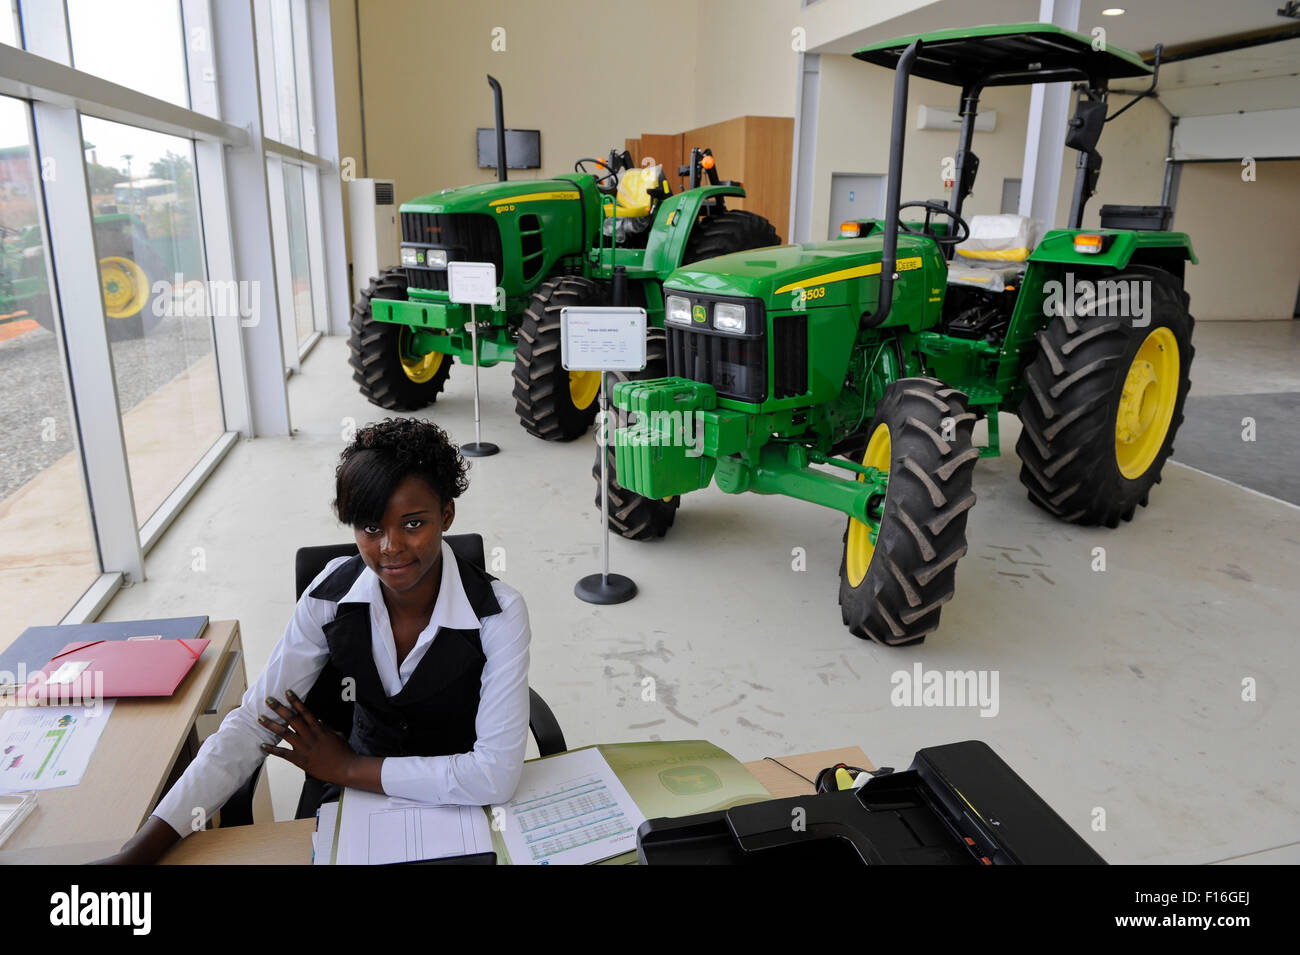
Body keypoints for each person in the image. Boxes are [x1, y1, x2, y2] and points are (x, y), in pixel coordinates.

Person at [100, 418, 530, 864]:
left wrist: (348, 767)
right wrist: (135, 854)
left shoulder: (499, 613)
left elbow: (494, 776)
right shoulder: (331, 595)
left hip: (462, 809)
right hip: (358, 803)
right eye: (370, 527)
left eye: (413, 523)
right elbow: (254, 724)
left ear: (446, 515)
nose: (390, 547)